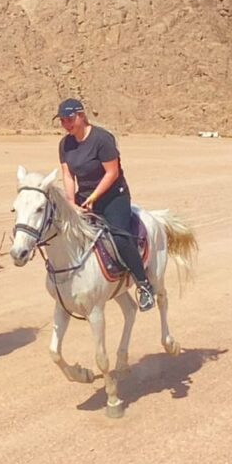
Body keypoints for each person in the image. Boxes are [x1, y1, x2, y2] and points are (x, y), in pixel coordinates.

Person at [55, 98, 155, 311]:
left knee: (119, 236)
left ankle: (144, 284)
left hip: (113, 197)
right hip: (84, 196)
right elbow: (67, 175)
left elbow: (112, 173)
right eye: (62, 121)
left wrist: (93, 198)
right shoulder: (65, 144)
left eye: (69, 119)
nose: (66, 124)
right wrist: (71, 202)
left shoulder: (102, 139)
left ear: (81, 116)